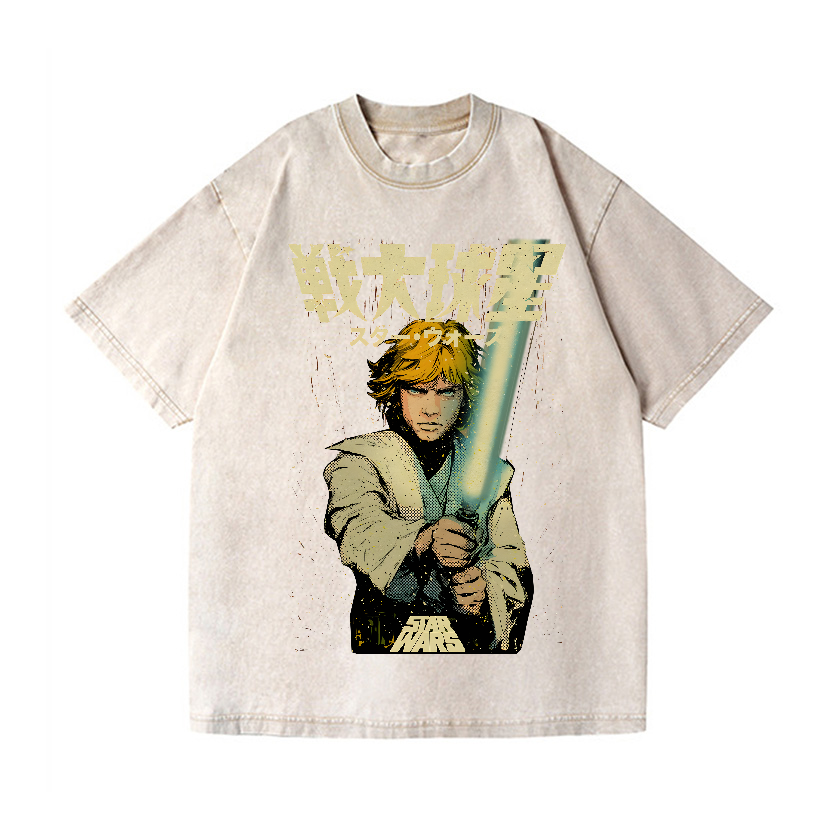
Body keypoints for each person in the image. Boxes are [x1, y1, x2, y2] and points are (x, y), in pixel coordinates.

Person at [323, 319, 533, 653]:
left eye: (446, 391)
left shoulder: (490, 474)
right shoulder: (360, 461)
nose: (431, 409)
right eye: (417, 390)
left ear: (465, 396)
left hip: (470, 651)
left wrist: (484, 589)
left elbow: (512, 563)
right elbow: (358, 531)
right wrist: (423, 540)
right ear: (395, 391)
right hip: (382, 640)